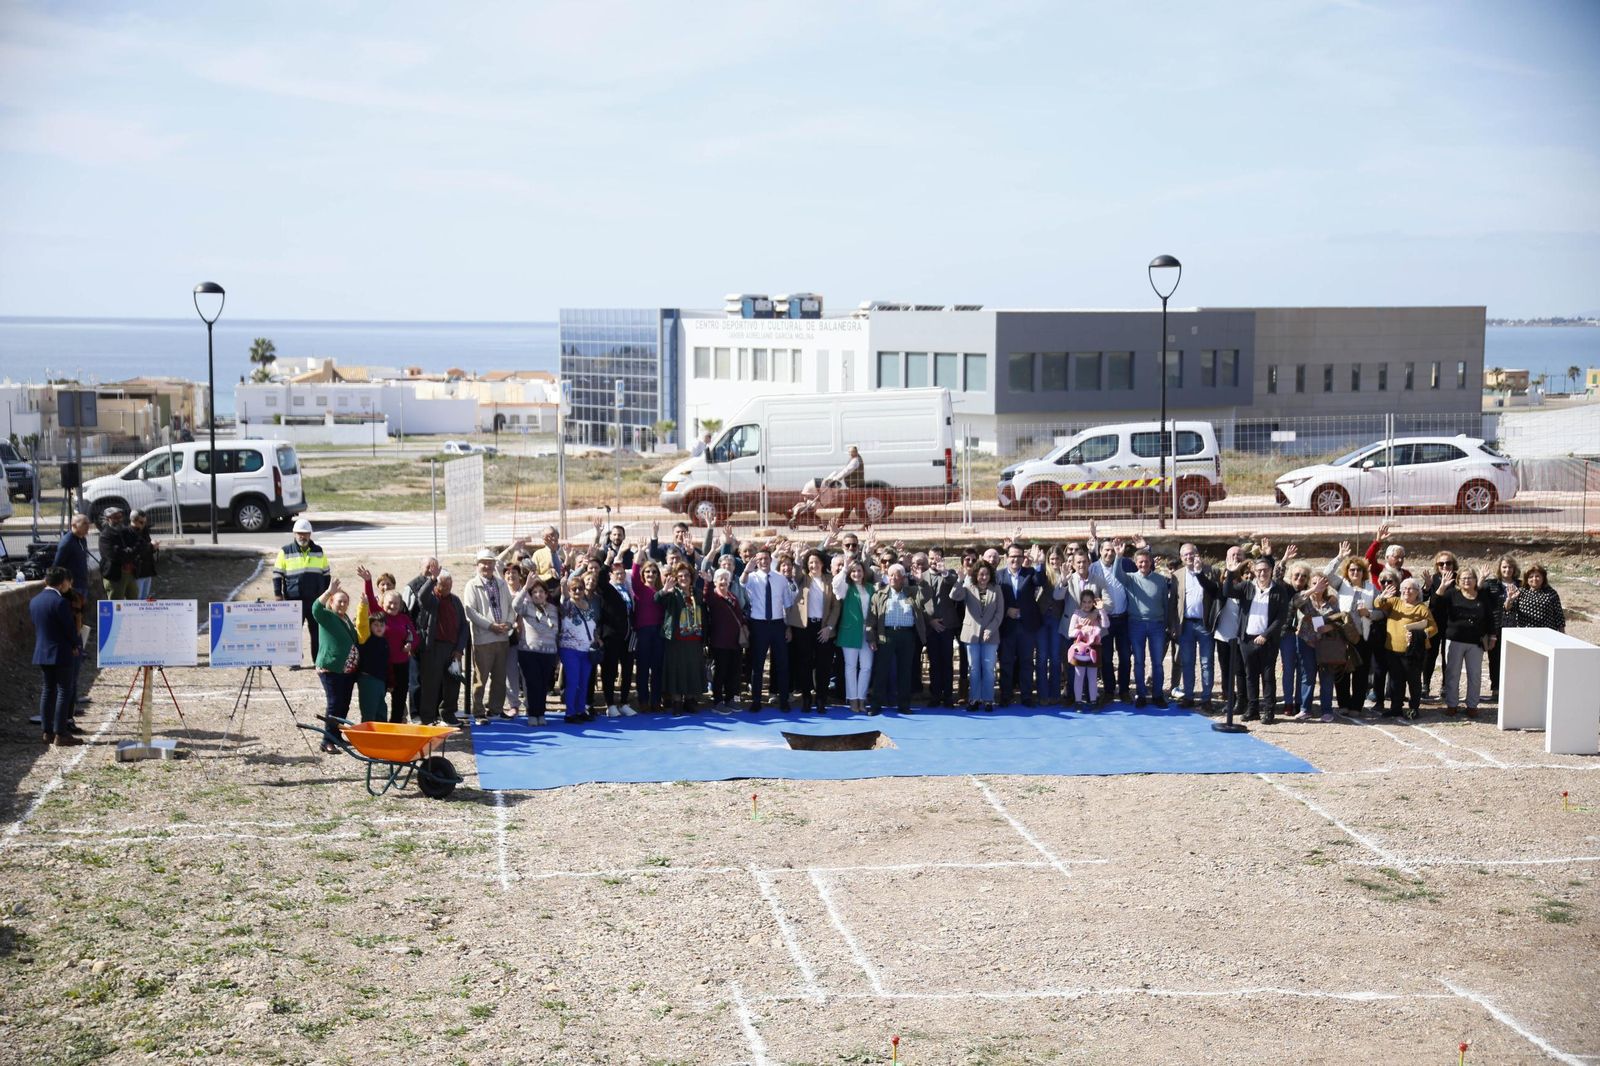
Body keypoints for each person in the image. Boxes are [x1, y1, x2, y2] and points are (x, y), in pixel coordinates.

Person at [1222, 558, 1294, 723]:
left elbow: (1280, 618)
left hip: (1268, 641)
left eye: (1265, 570)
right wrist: (1231, 572)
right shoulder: (1247, 586)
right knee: (1250, 676)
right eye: (1259, 570)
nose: (1262, 573)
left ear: (1270, 571)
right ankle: (1252, 709)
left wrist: (1265, 635)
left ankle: (1269, 711)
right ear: (1254, 571)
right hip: (1247, 639)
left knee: (1268, 677)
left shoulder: (1279, 590)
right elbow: (1227, 592)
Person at [31, 566, 82, 746]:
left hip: (42, 652)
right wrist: (76, 644)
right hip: (61, 652)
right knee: (64, 691)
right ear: (62, 584)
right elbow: (69, 629)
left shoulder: (35, 601)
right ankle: (61, 733)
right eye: (68, 582)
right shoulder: (60, 602)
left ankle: (47, 731)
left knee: (48, 691)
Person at [1323, 545, 1376, 714]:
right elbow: (1327, 575)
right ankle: (1343, 704)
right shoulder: (1342, 585)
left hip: (1362, 636)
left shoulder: (1371, 588)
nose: (1355, 572)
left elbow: (1382, 612)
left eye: (1359, 570)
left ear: (1363, 572)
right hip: (1343, 636)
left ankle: (1356, 705)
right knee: (1343, 670)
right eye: (1352, 569)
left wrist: (1368, 613)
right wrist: (1339, 557)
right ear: (1347, 571)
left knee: (1361, 672)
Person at [1374, 576, 1437, 720]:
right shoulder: (1395, 602)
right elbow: (1378, 604)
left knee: (1413, 680)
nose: (1406, 591)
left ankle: (1414, 708)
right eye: (1404, 588)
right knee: (1396, 680)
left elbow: (1433, 628)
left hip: (1413, 652)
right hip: (1392, 649)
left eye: (1410, 589)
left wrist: (1421, 634)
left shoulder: (1422, 608)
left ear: (1417, 592)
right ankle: (1395, 708)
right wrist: (1383, 595)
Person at [867, 563, 926, 716]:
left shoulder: (912, 592)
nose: (893, 578)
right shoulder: (879, 594)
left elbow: (926, 596)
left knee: (905, 671)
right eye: (891, 575)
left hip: (907, 636)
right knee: (881, 671)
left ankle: (904, 705)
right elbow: (871, 619)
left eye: (897, 575)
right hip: (886, 635)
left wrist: (921, 581)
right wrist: (871, 638)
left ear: (903, 578)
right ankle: (876, 705)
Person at [742, 546, 796, 712]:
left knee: (782, 663)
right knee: (757, 665)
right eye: (760, 560)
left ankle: (783, 699)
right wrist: (746, 570)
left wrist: (788, 627)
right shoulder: (752, 577)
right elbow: (741, 582)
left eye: (766, 559)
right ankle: (757, 700)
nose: (763, 562)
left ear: (771, 560)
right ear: (756, 562)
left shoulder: (781, 579)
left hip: (778, 624)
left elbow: (787, 605)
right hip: (759, 625)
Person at [1435, 565, 1492, 717]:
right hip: (1455, 640)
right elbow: (1435, 607)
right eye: (1463, 578)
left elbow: (1489, 618)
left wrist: (1492, 635)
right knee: (1452, 673)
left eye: (1470, 578)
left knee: (1475, 674)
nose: (1467, 580)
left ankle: (1472, 705)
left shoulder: (1482, 596)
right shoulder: (1451, 594)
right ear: (1458, 580)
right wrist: (1441, 589)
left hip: (1476, 642)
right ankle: (1452, 704)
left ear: (1475, 580)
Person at [273, 517, 331, 666]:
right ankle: (294, 661)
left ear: (310, 534)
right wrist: (278, 594)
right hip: (293, 600)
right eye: (299, 533)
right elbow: (277, 574)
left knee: (317, 632)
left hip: (315, 600)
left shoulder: (319, 551)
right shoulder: (285, 552)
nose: (302, 536)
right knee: (293, 633)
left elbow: (326, 574)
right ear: (294, 534)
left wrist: (325, 596)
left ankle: (317, 661)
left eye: (305, 533)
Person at [311, 577, 360, 752]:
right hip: (330, 668)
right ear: (332, 602)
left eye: (346, 602)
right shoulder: (327, 616)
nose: (343, 604)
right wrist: (328, 592)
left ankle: (337, 736)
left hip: (346, 670)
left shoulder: (345, 618)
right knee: (334, 703)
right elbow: (315, 608)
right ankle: (327, 740)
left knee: (344, 703)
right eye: (340, 601)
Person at [414, 569, 469, 725]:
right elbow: (421, 595)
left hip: (453, 649)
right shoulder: (431, 600)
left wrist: (459, 650)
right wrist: (431, 578)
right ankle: (428, 718)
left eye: (449, 585)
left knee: (453, 683)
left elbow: (464, 626)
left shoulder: (455, 601)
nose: (446, 588)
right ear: (436, 585)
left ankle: (448, 714)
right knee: (431, 685)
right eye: (443, 585)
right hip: (434, 648)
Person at [1173, 543, 1223, 711]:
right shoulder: (1177, 575)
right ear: (1181, 558)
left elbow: (1216, 594)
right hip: (1186, 624)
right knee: (1187, 662)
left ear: (1197, 554)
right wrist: (1172, 625)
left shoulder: (1212, 571)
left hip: (1204, 625)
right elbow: (1173, 602)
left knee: (1206, 663)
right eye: (1185, 555)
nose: (1189, 557)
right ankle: (1188, 696)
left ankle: (1206, 698)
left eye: (1191, 553)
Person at [1124, 548, 1176, 709]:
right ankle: (1140, 693)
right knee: (1138, 662)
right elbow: (1116, 574)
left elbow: (1165, 604)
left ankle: (1157, 694)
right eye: (1140, 561)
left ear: (1151, 562)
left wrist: (1167, 624)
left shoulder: (1160, 580)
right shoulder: (1130, 578)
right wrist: (1119, 556)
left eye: (1146, 561)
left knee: (1157, 663)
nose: (1143, 564)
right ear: (1135, 563)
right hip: (1136, 624)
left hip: (1157, 625)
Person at [789, 550, 839, 713]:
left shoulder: (830, 581)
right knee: (804, 664)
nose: (813, 565)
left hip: (823, 628)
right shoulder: (803, 578)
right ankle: (806, 698)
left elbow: (836, 607)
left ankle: (821, 699)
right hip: (804, 628)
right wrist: (796, 558)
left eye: (816, 561)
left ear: (823, 563)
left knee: (823, 666)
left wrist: (829, 627)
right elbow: (795, 573)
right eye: (810, 562)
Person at [1289, 572, 1343, 722]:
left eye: (1321, 583)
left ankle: (1327, 711)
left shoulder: (1332, 602)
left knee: (1326, 678)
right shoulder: (1305, 600)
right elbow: (1295, 602)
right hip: (1306, 643)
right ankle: (1305, 709)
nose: (1317, 586)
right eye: (1314, 583)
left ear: (1326, 586)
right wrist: (1312, 590)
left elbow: (1341, 621)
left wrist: (1330, 627)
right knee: (1307, 677)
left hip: (1325, 646)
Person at [996, 543, 1046, 706]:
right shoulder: (998, 576)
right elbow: (994, 601)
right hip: (1006, 626)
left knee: (1026, 662)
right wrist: (1005, 612)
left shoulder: (1030, 572)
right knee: (1006, 662)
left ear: (1023, 558)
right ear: (1006, 558)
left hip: (1027, 627)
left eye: (1019, 556)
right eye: (1012, 556)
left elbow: (1040, 581)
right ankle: (1006, 695)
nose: (1015, 559)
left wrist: (1039, 564)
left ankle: (1026, 696)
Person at [952, 559, 1003, 712]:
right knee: (973, 668)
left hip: (990, 636)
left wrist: (991, 629)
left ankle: (988, 700)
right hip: (971, 635)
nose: (984, 577)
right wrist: (959, 580)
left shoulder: (997, 589)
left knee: (988, 668)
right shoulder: (968, 587)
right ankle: (974, 699)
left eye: (986, 574)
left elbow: (999, 613)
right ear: (976, 575)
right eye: (981, 574)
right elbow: (954, 596)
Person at [655, 561, 707, 715]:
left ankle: (690, 700)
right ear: (676, 578)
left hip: (694, 639)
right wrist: (664, 590)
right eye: (680, 576)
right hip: (676, 639)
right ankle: (677, 701)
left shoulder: (697, 593)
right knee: (676, 670)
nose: (684, 578)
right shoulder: (672, 592)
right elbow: (657, 599)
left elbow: (703, 613)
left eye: (686, 575)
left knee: (691, 669)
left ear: (691, 577)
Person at [511, 577, 559, 726]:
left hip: (549, 652)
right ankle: (532, 714)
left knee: (544, 684)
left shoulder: (553, 608)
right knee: (532, 683)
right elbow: (515, 605)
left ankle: (541, 713)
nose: (538, 594)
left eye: (541, 592)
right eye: (535, 592)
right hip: (529, 651)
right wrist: (525, 587)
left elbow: (556, 629)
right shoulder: (526, 606)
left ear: (546, 594)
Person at [921, 549, 965, 708]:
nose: (934, 561)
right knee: (934, 662)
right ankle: (935, 695)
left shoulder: (948, 574)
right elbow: (918, 603)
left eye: (937, 558)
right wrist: (930, 621)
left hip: (947, 626)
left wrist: (944, 571)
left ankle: (947, 696)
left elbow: (953, 582)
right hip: (930, 626)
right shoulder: (922, 576)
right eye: (931, 558)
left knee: (947, 662)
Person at [832, 558, 876, 714]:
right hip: (850, 632)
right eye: (853, 571)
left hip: (868, 633)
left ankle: (862, 698)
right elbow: (836, 586)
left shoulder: (871, 588)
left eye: (859, 570)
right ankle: (853, 700)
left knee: (867, 667)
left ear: (864, 573)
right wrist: (844, 569)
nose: (856, 573)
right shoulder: (846, 588)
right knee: (850, 667)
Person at [596, 557, 637, 717]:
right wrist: (607, 561)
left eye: (622, 574)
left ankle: (625, 702)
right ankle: (610, 704)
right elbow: (600, 578)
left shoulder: (627, 589)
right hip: (611, 637)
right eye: (616, 574)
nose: (620, 576)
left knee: (627, 670)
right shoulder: (607, 588)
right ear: (611, 575)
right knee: (610, 671)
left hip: (629, 636)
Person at [558, 572, 600, 723]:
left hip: (586, 650)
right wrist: (563, 584)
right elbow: (562, 597)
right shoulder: (567, 606)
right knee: (573, 681)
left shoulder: (588, 606)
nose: (577, 591)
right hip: (569, 649)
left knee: (584, 682)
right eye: (574, 589)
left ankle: (581, 710)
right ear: (569, 591)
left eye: (580, 588)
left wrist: (597, 638)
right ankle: (570, 713)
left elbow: (592, 626)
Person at [352, 568, 391, 724]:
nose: (379, 628)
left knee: (382, 713)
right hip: (368, 679)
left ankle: (380, 744)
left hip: (381, 681)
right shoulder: (366, 637)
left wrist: (389, 682)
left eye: (381, 625)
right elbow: (362, 623)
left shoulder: (384, 640)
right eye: (375, 625)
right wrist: (363, 605)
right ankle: (367, 745)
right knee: (369, 715)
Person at [704, 568, 746, 713]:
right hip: (719, 642)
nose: (723, 582)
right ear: (715, 582)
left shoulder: (733, 597)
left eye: (725, 579)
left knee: (733, 673)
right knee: (720, 673)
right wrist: (708, 583)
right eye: (720, 579)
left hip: (735, 642)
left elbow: (740, 617)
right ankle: (717, 701)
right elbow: (706, 595)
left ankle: (730, 699)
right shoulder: (714, 597)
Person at [1480, 555, 1520, 701]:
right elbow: (1477, 593)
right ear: (1499, 568)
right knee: (1495, 659)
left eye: (1510, 567)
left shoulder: (1520, 584)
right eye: (1504, 567)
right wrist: (1482, 578)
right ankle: (1496, 689)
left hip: (1516, 628)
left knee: (1513, 659)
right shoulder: (1491, 584)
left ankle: (1511, 689)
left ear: (1514, 569)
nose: (1507, 570)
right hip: (1496, 627)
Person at [631, 558, 667, 712]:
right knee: (643, 668)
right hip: (643, 632)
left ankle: (656, 701)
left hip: (659, 632)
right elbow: (633, 574)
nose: (650, 574)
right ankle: (643, 701)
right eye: (647, 571)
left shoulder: (663, 591)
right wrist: (639, 553)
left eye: (653, 571)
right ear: (643, 574)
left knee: (657, 669)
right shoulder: (639, 588)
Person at [1066, 589, 1108, 707]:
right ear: (1081, 603)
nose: (1087, 605)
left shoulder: (1096, 614)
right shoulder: (1076, 614)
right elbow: (1070, 633)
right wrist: (1080, 629)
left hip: (1094, 650)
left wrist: (1101, 609)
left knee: (1092, 676)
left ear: (1093, 603)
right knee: (1079, 676)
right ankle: (1078, 701)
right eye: (1084, 602)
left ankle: (1093, 700)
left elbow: (1106, 625)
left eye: (1089, 602)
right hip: (1080, 651)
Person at [1503, 563, 1564, 631]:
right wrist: (1509, 599)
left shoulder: (1551, 593)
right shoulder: (1520, 592)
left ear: (1543, 578)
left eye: (1537, 576)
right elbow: (1507, 609)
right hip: (1526, 634)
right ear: (1527, 579)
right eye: (1531, 577)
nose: (1534, 579)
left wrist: (1562, 635)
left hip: (1547, 634)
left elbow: (1559, 617)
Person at [127, 509, 158, 599]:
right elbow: (136, 551)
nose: (143, 524)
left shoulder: (144, 530)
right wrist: (151, 546)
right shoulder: (128, 532)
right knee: (137, 599)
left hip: (147, 570)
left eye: (145, 522)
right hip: (137, 572)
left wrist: (154, 546)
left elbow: (148, 545)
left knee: (145, 598)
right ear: (133, 520)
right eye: (141, 522)